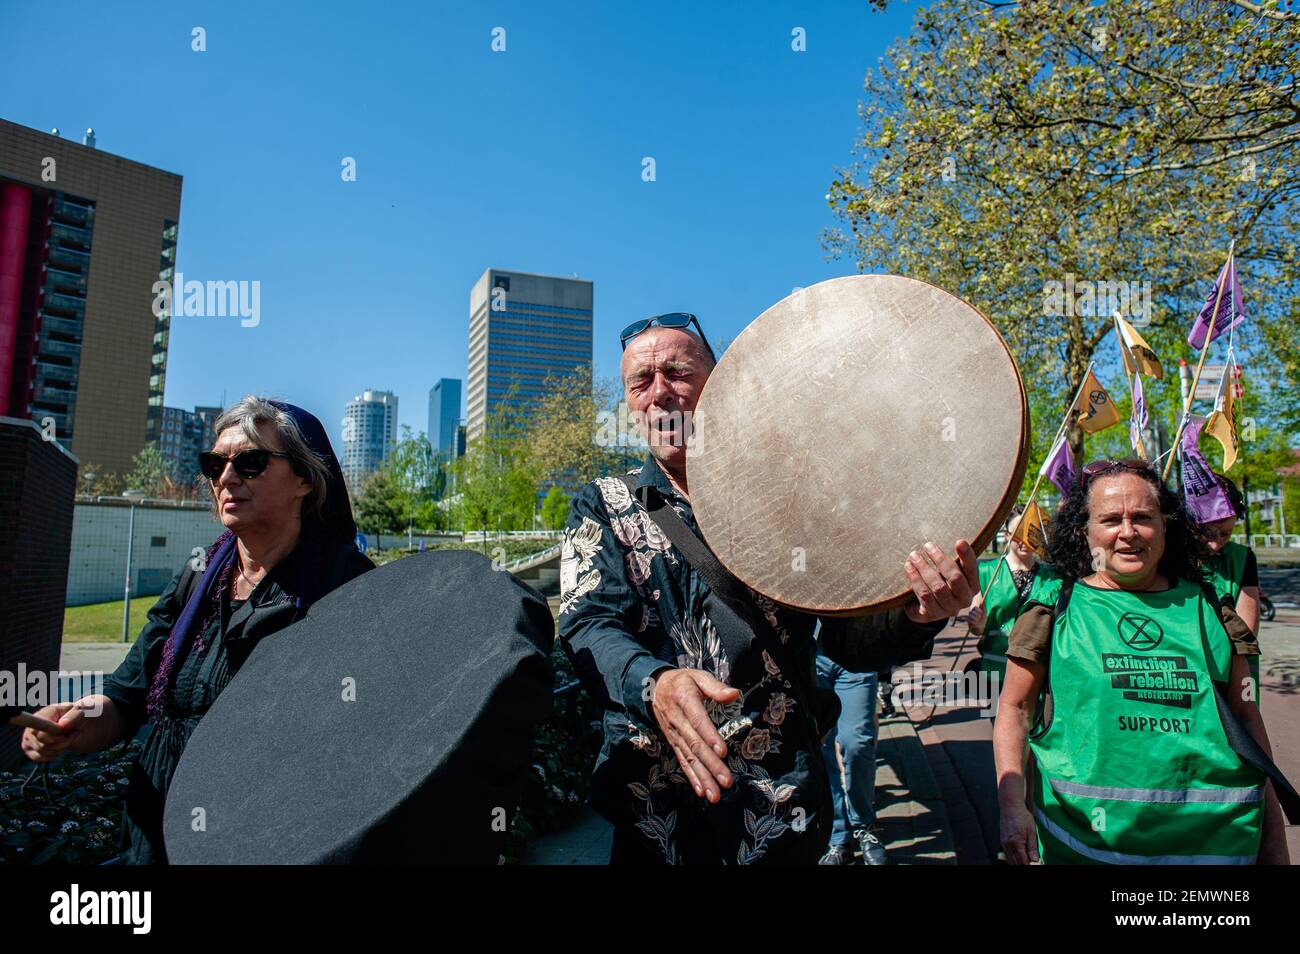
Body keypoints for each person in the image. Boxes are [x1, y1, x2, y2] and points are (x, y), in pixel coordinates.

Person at [559, 313, 979, 865]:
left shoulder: (794, 497)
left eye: (678, 373)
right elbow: (586, 625)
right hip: (655, 815)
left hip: (783, 811)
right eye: (641, 381)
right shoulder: (603, 504)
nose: (660, 392)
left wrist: (919, 616)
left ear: (721, 387)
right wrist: (654, 684)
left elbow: (850, 644)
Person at [21, 397, 373, 863]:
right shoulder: (197, 574)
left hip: (267, 841)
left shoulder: (349, 586)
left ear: (306, 479)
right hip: (156, 836)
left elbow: (364, 739)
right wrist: (71, 723)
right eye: (215, 464)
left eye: (251, 462)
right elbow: (125, 699)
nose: (226, 479)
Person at [994, 459, 1290, 865]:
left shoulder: (1212, 610)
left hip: (1215, 847)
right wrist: (1012, 809)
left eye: (1143, 518)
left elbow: (1248, 720)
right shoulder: (1053, 609)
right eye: (1111, 519)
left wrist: (1274, 840)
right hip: (1082, 848)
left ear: (1166, 527)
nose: (1128, 532)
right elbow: (1015, 708)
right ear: (1085, 531)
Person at [816, 646, 886, 865]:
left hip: (858, 654)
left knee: (856, 743)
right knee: (820, 748)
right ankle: (838, 838)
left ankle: (864, 824)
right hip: (810, 656)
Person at [965, 505, 1042, 684]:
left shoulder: (1052, 577)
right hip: (997, 674)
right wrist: (978, 623)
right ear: (1007, 535)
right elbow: (976, 629)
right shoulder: (986, 572)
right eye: (1017, 532)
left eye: (1030, 531)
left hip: (1038, 675)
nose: (1024, 539)